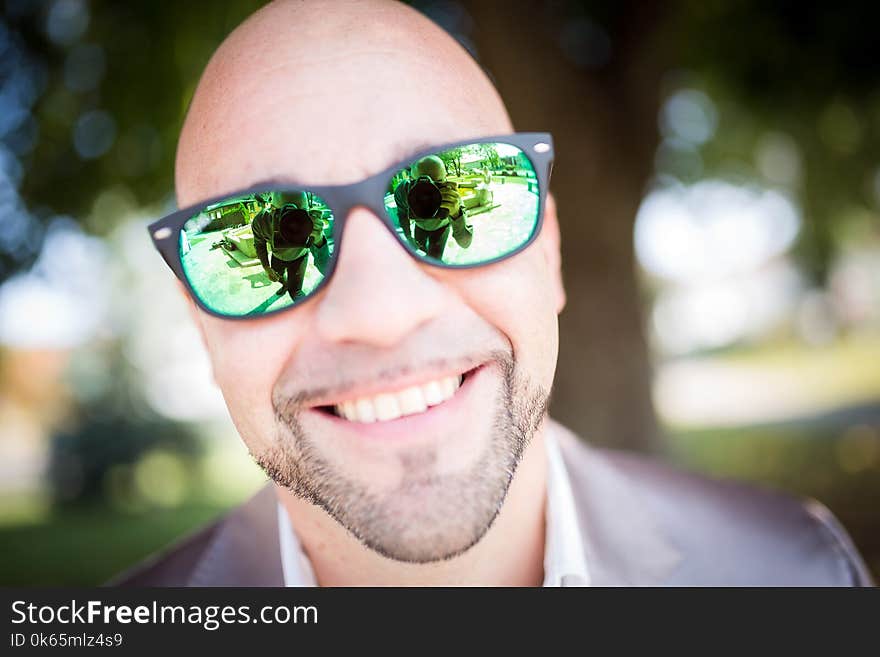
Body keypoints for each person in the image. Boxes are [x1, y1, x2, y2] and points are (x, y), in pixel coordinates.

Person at [119, 0, 872, 586]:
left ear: (548, 252)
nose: (381, 315)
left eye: (448, 201)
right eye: (258, 243)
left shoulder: (801, 572)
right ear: (201, 325)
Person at [393, 155, 473, 259]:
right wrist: (409, 238)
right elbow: (403, 215)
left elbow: (465, 243)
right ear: (410, 179)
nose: (427, 193)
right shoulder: (403, 191)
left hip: (441, 227)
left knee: (435, 258)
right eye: (421, 183)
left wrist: (456, 214)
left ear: (445, 179)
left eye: (437, 183)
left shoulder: (449, 195)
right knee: (419, 254)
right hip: (420, 227)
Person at [251, 191, 327, 299]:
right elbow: (259, 245)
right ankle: (285, 285)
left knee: (295, 292)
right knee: (279, 277)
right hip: (277, 258)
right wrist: (266, 267)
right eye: (287, 212)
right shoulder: (261, 221)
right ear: (272, 209)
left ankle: (291, 290)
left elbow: (326, 265)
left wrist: (319, 239)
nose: (294, 222)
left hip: (300, 258)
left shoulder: (309, 221)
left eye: (300, 212)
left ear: (308, 210)